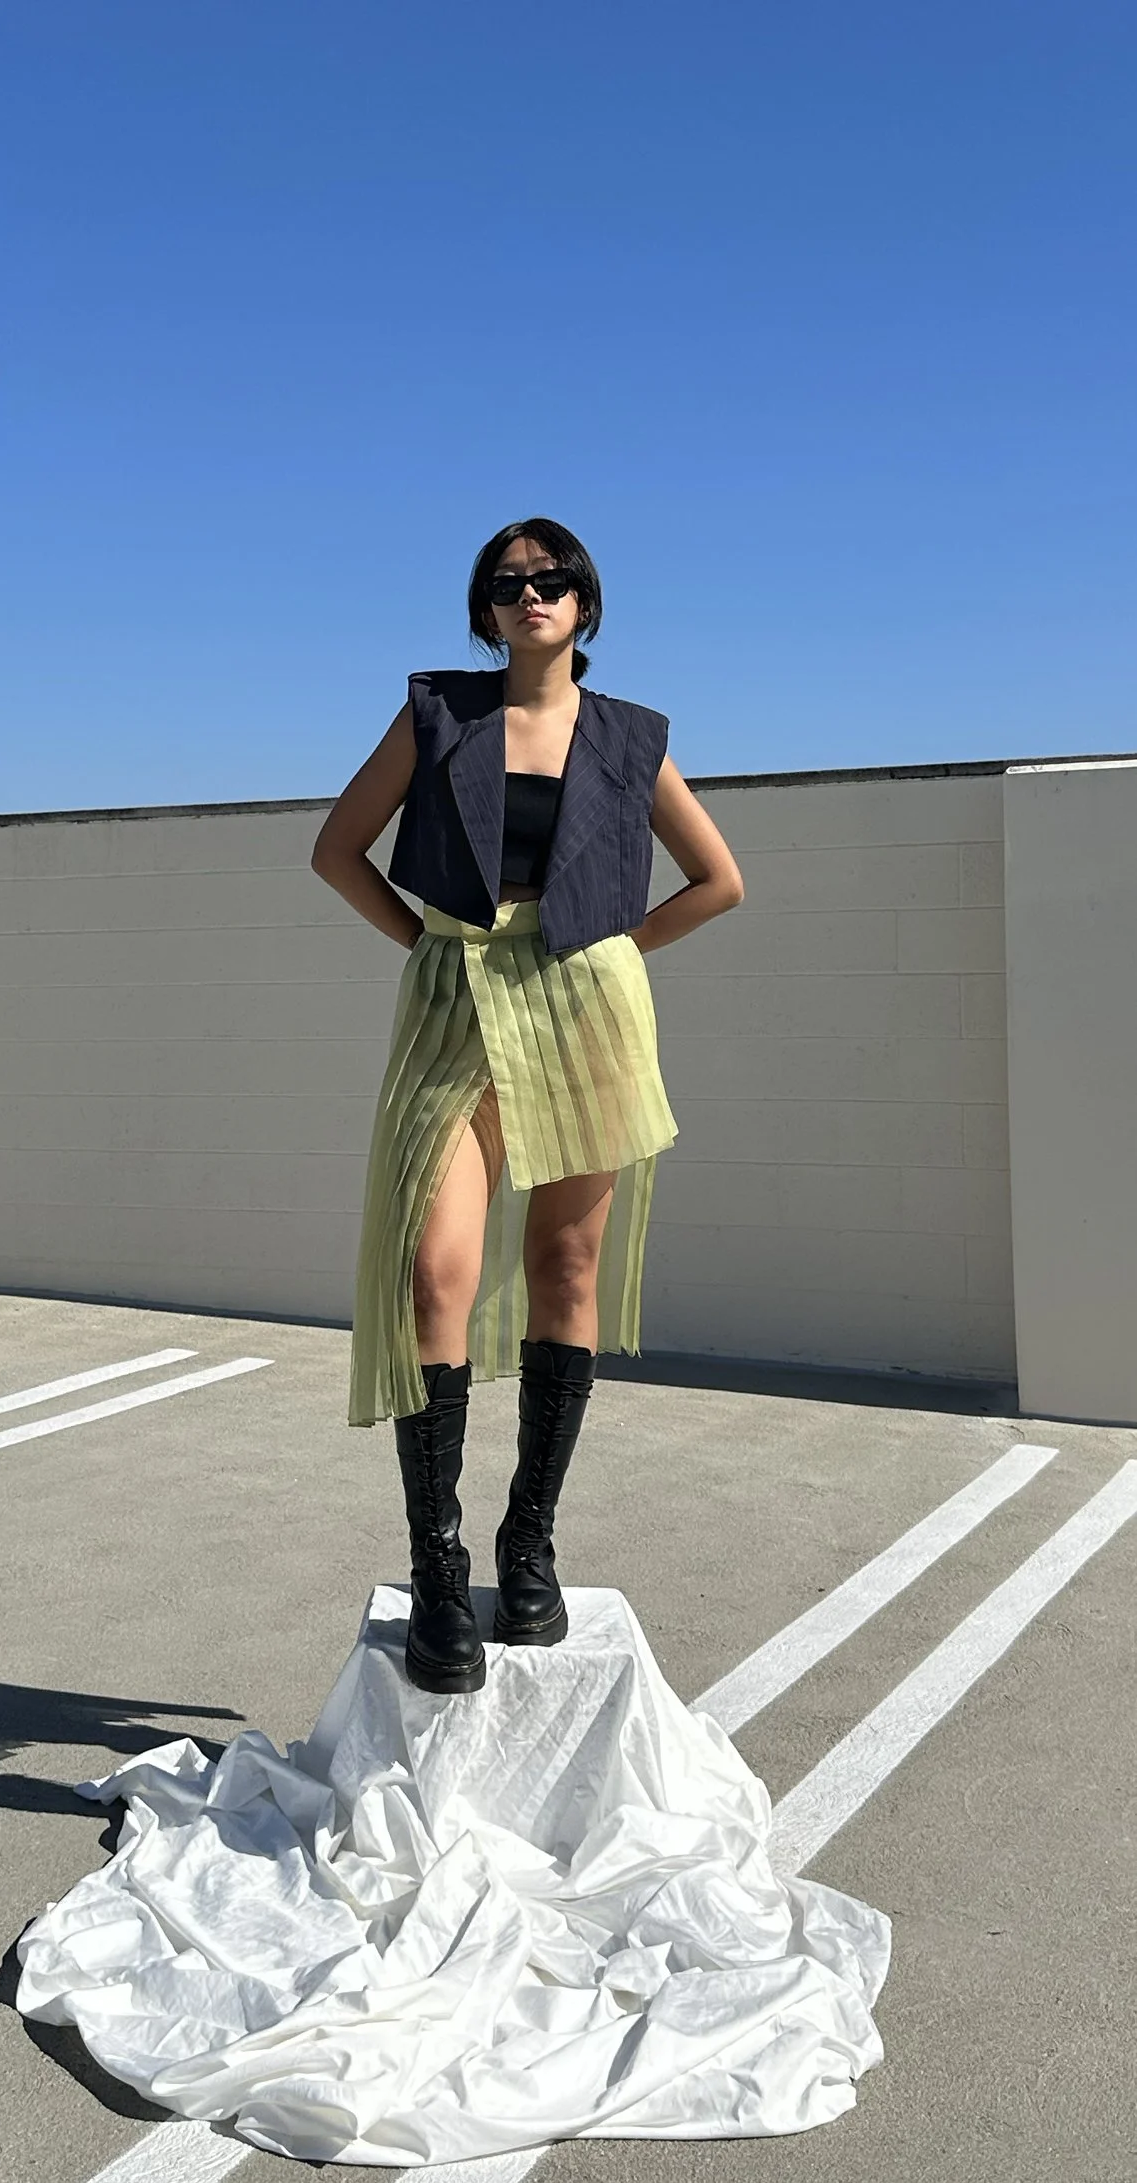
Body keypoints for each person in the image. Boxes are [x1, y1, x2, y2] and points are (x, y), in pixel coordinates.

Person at [311, 518, 743, 1696]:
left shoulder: (629, 737)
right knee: (432, 1274)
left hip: (584, 1011)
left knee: (565, 1275)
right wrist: (432, 944)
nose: (529, 595)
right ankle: (438, 1568)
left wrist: (614, 954)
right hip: (458, 1006)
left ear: (584, 605)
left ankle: (529, 1542)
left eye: (550, 580)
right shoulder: (437, 715)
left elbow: (722, 880)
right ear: (485, 609)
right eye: (507, 584)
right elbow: (338, 851)